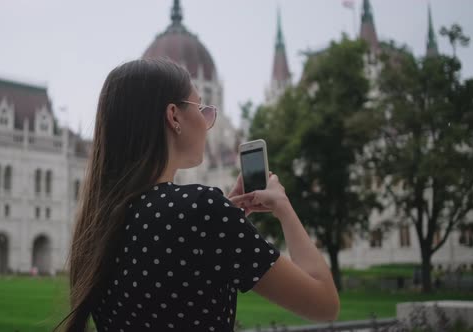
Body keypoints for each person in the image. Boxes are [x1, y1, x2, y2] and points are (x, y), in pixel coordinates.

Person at [55, 59, 339, 332]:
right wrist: (283, 208)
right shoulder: (202, 210)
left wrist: (222, 218)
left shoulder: (99, 221)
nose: (207, 121)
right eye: (201, 108)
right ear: (174, 116)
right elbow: (324, 304)